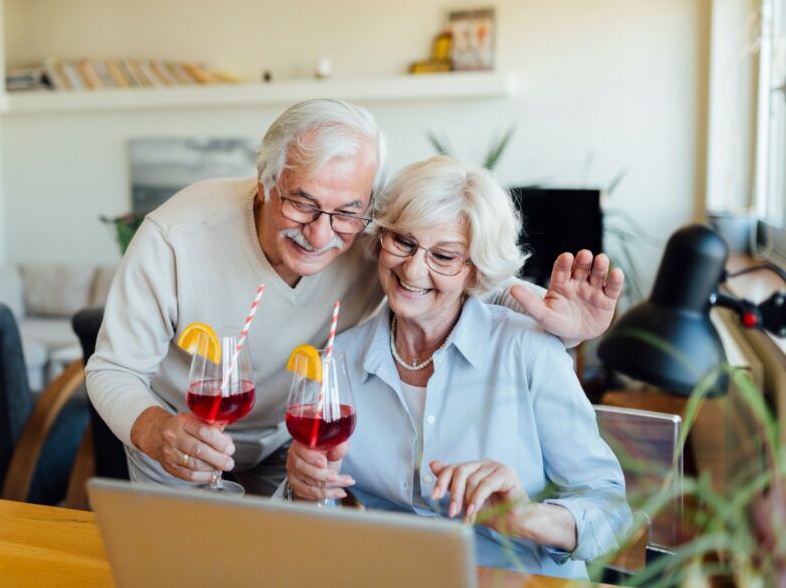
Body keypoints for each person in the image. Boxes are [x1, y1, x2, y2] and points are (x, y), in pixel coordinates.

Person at [85, 98, 623, 496]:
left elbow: (452, 265)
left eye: (347, 212)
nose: (322, 236)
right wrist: (158, 434)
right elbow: (111, 370)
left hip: (286, 448)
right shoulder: (177, 234)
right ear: (265, 181)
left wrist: (556, 318)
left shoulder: (372, 233)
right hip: (180, 443)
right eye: (301, 204)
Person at [283, 155, 630, 579]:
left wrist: (526, 517)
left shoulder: (529, 351)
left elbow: (612, 511)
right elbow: (317, 525)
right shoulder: (336, 363)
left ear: (474, 272)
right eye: (403, 243)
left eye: (443, 256)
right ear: (380, 240)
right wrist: (304, 490)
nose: (412, 269)